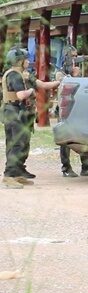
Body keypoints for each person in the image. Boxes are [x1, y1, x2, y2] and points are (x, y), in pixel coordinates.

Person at [2, 47, 60, 188]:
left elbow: (44, 85)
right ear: (19, 61)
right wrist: (31, 91)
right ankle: (9, 176)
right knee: (16, 144)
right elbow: (21, 95)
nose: (28, 61)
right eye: (26, 59)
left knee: (22, 143)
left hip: (20, 112)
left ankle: (18, 173)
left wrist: (60, 82)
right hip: (14, 112)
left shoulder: (23, 74)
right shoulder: (14, 75)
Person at [55, 45, 88, 178]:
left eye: (76, 56)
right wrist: (73, 76)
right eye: (73, 56)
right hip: (66, 111)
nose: (75, 59)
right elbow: (65, 85)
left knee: (84, 137)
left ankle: (86, 167)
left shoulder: (78, 71)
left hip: (79, 109)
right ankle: (66, 167)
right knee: (65, 141)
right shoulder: (60, 73)